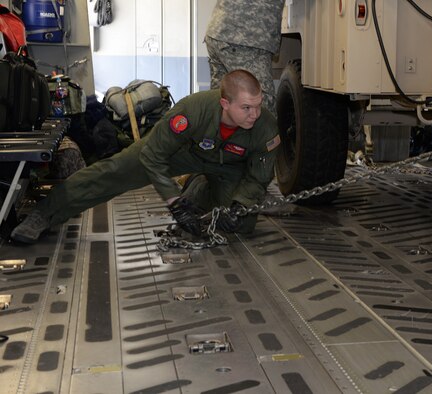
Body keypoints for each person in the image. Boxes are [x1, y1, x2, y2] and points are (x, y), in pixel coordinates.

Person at [11, 69, 281, 244]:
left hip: (228, 168)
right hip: (182, 152)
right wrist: (173, 202)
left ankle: (197, 195)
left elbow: (258, 177)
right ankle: (44, 215)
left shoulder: (265, 126)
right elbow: (153, 156)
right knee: (114, 171)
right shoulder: (193, 111)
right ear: (225, 103)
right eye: (246, 108)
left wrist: (238, 204)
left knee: (241, 224)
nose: (254, 115)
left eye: (257, 106)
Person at [205, 0, 285, 117]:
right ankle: (265, 136)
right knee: (259, 103)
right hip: (245, 38)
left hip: (219, 30)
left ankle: (216, 135)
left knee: (223, 104)